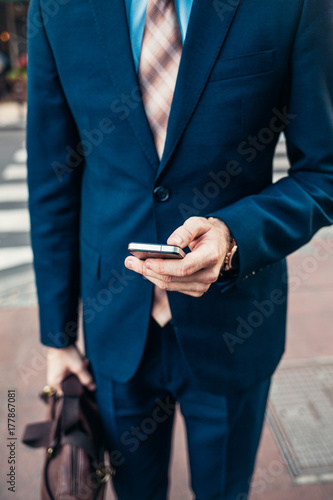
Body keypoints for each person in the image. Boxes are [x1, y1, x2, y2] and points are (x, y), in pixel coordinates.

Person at [27, 0, 333, 498]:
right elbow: (51, 182)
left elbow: (324, 171)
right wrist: (57, 338)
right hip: (116, 325)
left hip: (234, 327)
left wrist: (236, 236)